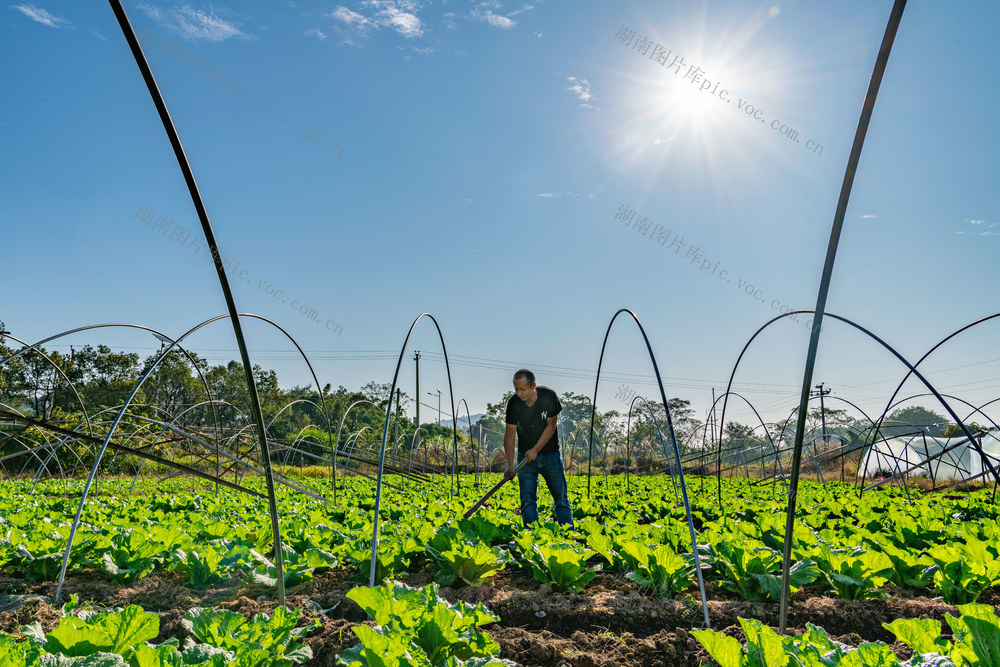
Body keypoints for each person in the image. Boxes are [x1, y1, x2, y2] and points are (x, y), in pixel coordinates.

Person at [504, 369, 574, 527]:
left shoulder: (549, 397)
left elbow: (551, 426)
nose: (519, 393)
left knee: (561, 497)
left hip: (551, 455)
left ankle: (570, 537)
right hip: (525, 458)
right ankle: (531, 538)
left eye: (523, 389)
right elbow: (509, 433)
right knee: (527, 500)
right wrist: (510, 464)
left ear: (533, 386)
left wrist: (535, 449)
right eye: (516, 389)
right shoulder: (514, 403)